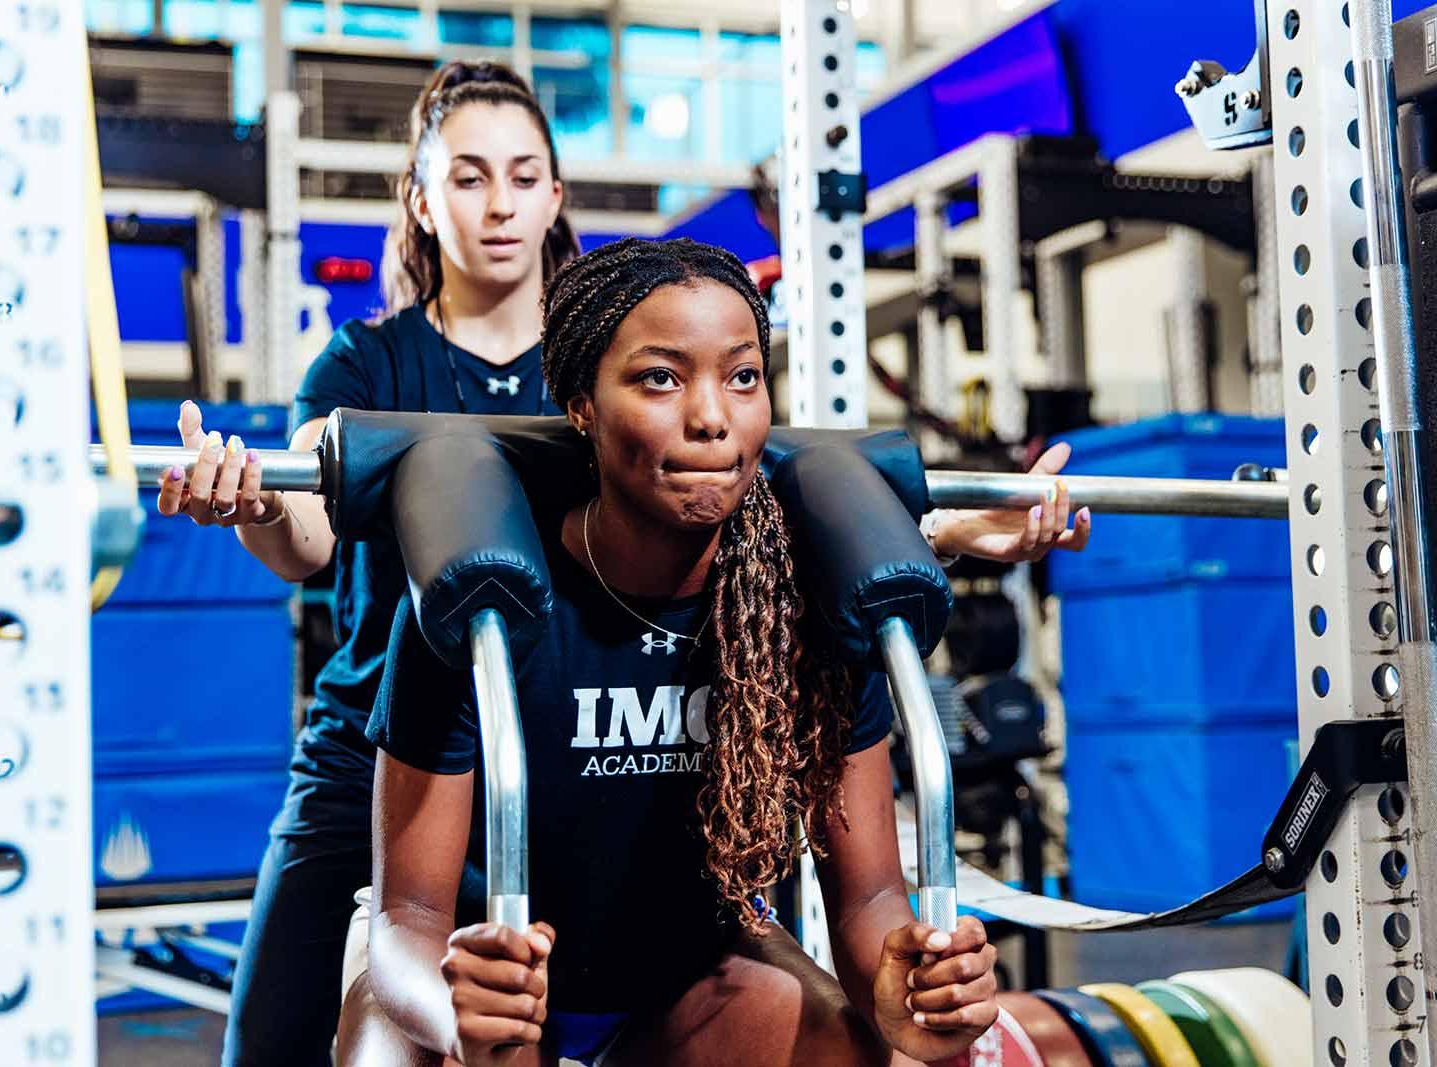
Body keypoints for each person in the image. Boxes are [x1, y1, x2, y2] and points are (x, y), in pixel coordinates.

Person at [342, 237, 1090, 1067]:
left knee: (850, 1051)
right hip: (470, 962)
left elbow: (872, 892)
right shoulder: (486, 600)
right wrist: (453, 1010)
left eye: (742, 376)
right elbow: (407, 916)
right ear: (582, 402)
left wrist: (909, 991)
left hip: (690, 976)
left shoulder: (807, 593)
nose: (711, 416)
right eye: (660, 377)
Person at [153, 60, 580, 1067]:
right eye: (468, 177)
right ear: (421, 200)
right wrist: (256, 494)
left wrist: (943, 530)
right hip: (375, 745)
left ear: (555, 197)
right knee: (272, 1044)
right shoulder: (365, 363)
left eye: (523, 176)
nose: (500, 204)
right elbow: (305, 531)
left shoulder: (603, 367)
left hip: (556, 742)